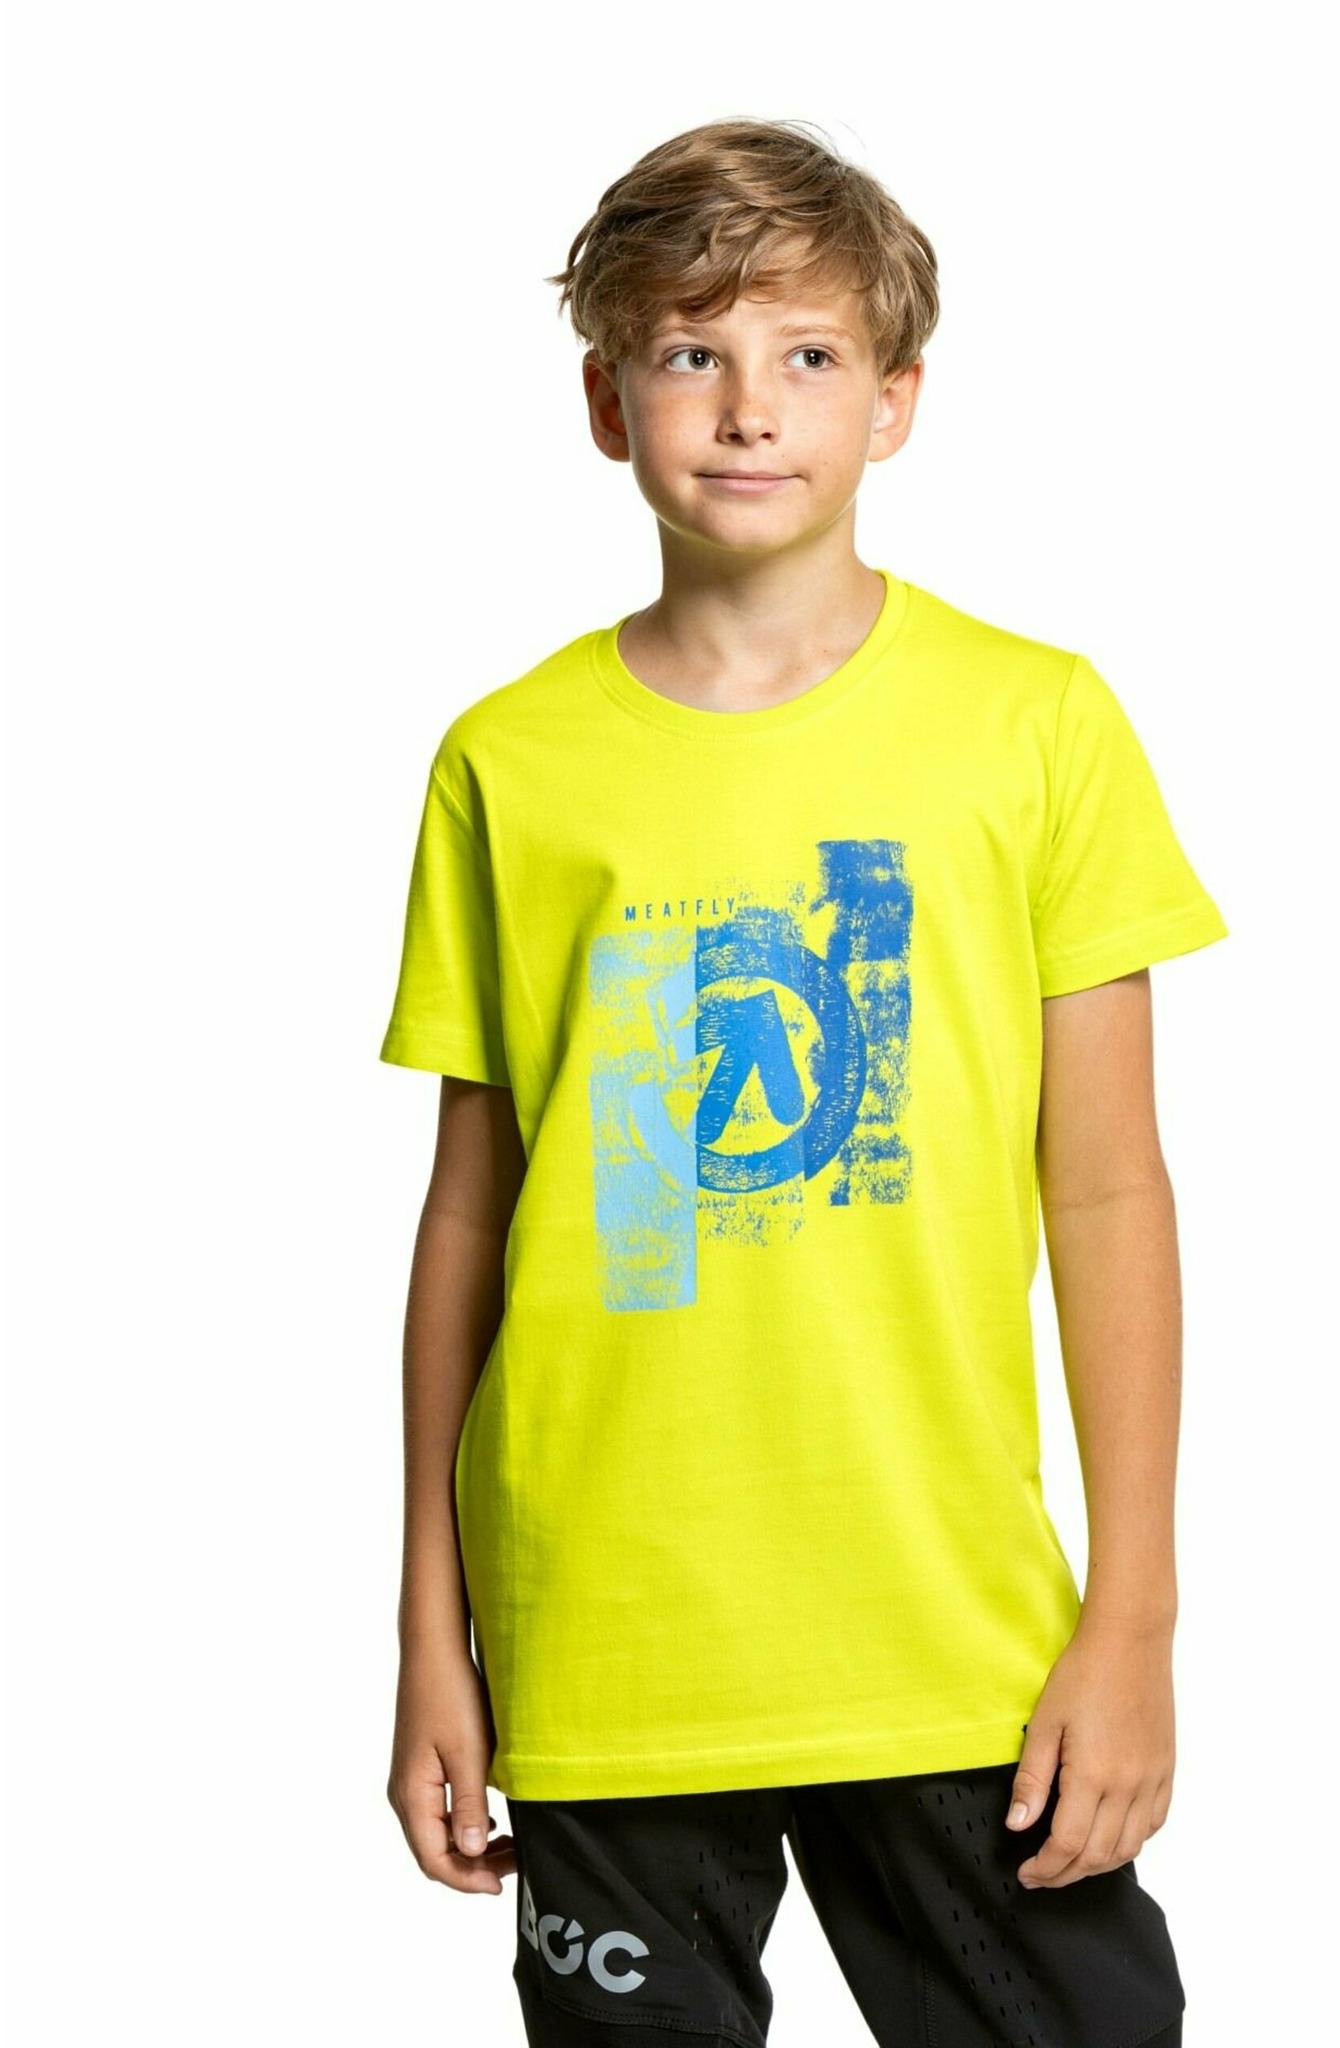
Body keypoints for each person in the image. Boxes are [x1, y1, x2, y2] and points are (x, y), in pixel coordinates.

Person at [378, 116, 1228, 2048]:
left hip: (946, 1634)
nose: (749, 406)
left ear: (897, 399)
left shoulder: (1036, 724)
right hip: (606, 1633)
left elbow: (1108, 1187)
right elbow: (471, 1219)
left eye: (810, 353)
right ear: (608, 402)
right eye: (692, 351)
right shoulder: (509, 761)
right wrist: (433, 1624)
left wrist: (1136, 1613)